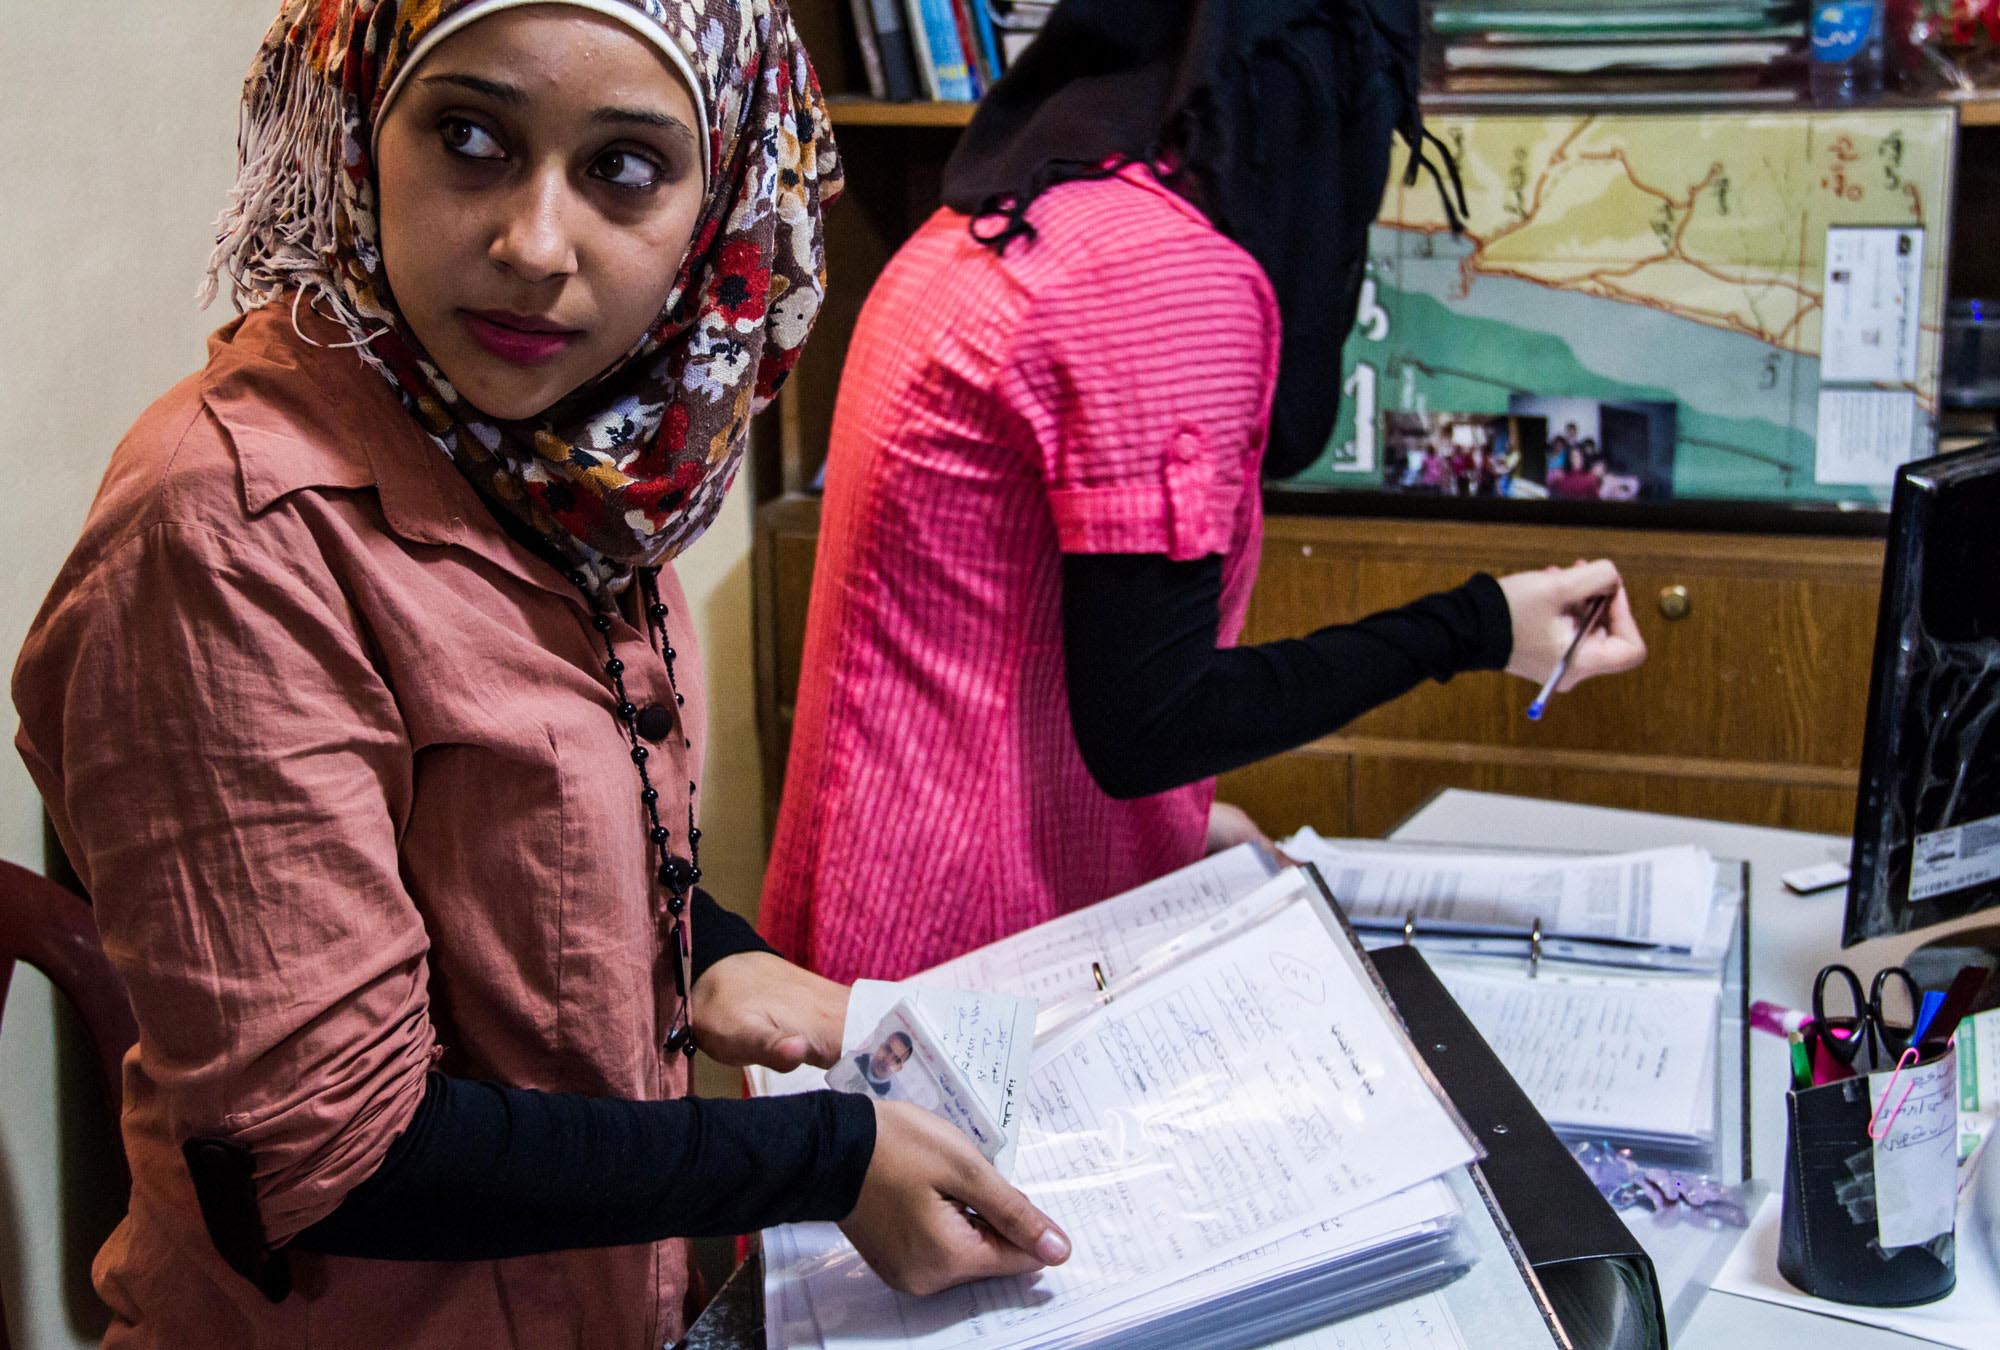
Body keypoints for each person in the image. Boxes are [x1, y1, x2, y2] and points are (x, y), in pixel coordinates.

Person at [10, 3, 1067, 1345]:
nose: (534, 247)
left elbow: (531, 852)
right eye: (469, 138)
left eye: (624, 166)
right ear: (355, 122)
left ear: (724, 190)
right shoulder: (226, 529)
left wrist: (706, 956)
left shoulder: (580, 459)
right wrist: (824, 1158)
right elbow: (336, 1148)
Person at [757, 0, 1648, 985]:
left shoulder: (1016, 208)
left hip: (870, 897)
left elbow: (1010, 631)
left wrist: (1182, 823)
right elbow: (1152, 727)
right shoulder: (1158, 271)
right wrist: (1475, 626)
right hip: (978, 966)